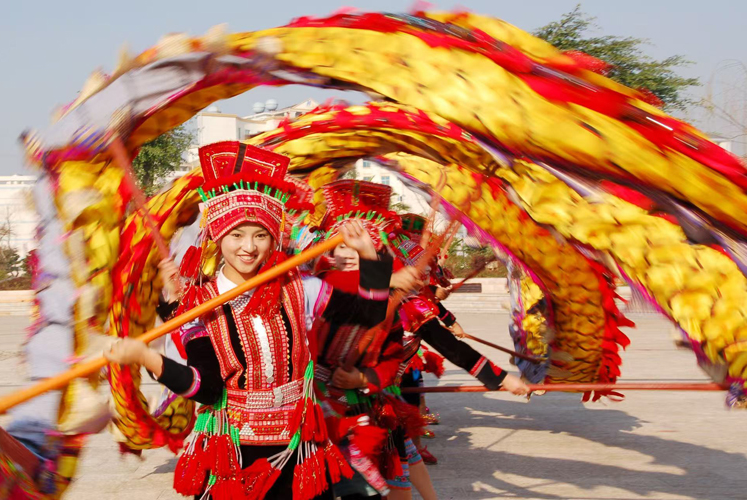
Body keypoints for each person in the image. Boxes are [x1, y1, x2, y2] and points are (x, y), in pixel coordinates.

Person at [104, 142, 393, 500]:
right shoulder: (201, 305)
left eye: (260, 235)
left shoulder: (300, 287)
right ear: (218, 236)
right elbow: (206, 388)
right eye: (236, 235)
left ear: (273, 238)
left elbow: (371, 312)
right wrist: (145, 356)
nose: (248, 247)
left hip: (299, 447)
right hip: (233, 452)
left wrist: (368, 253)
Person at [308, 180, 434, 500]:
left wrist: (363, 377)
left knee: (393, 475)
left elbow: (393, 354)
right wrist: (389, 279)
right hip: (316, 409)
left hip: (368, 404)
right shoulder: (316, 289)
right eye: (340, 247)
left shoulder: (390, 301)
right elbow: (351, 296)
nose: (349, 256)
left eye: (360, 249)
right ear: (328, 251)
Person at [391, 214, 531, 465]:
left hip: (386, 384)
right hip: (343, 401)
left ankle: (413, 448)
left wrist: (499, 377)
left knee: (408, 408)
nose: (421, 278)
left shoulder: (410, 304)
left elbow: (448, 343)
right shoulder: (344, 292)